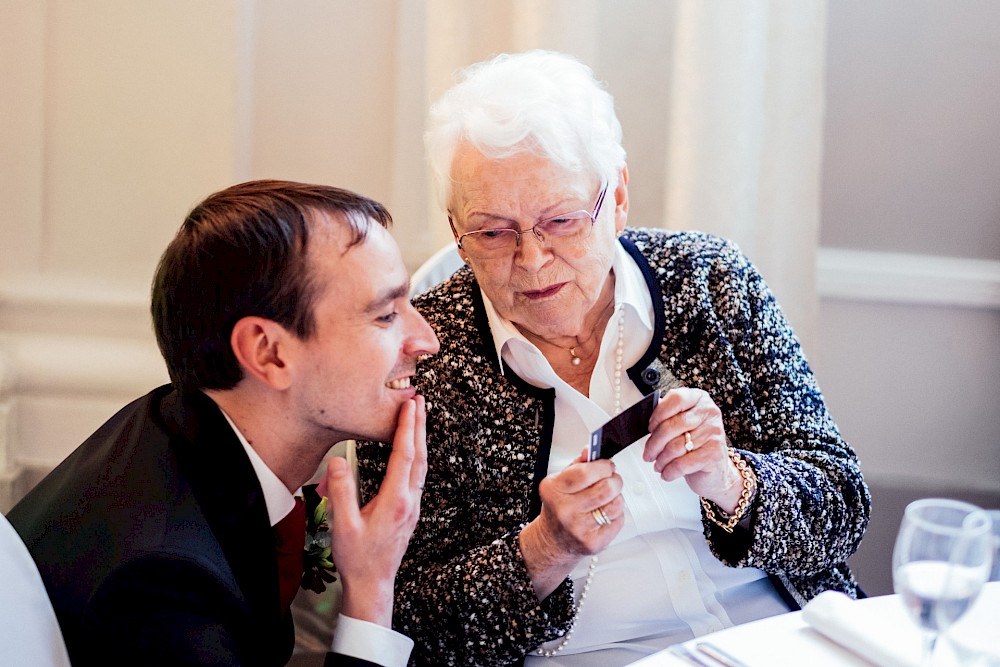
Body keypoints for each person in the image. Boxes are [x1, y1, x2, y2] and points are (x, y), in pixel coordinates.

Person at [355, 50, 870, 666]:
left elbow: (844, 504)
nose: (533, 259)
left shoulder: (710, 281)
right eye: (493, 233)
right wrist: (544, 549)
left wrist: (733, 482)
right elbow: (408, 624)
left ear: (617, 197)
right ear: (456, 229)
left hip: (776, 638)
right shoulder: (421, 355)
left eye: (562, 220)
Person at [7, 180, 440, 667]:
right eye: (385, 314)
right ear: (268, 352)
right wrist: (372, 589)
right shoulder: (165, 588)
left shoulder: (174, 423)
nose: (427, 339)